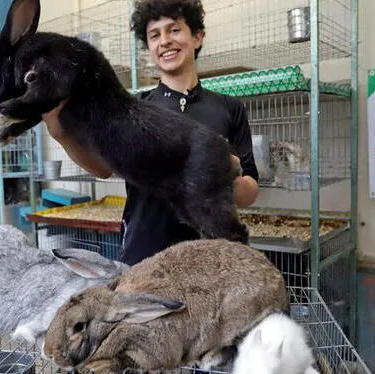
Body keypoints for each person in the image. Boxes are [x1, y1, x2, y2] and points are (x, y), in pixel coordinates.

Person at [41, 0, 259, 266]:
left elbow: (250, 192)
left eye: (174, 30)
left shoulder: (229, 108)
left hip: (210, 255)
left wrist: (223, 173)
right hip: (144, 253)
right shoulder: (131, 108)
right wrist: (59, 133)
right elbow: (103, 168)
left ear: (197, 37)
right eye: (154, 35)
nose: (164, 41)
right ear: (149, 48)